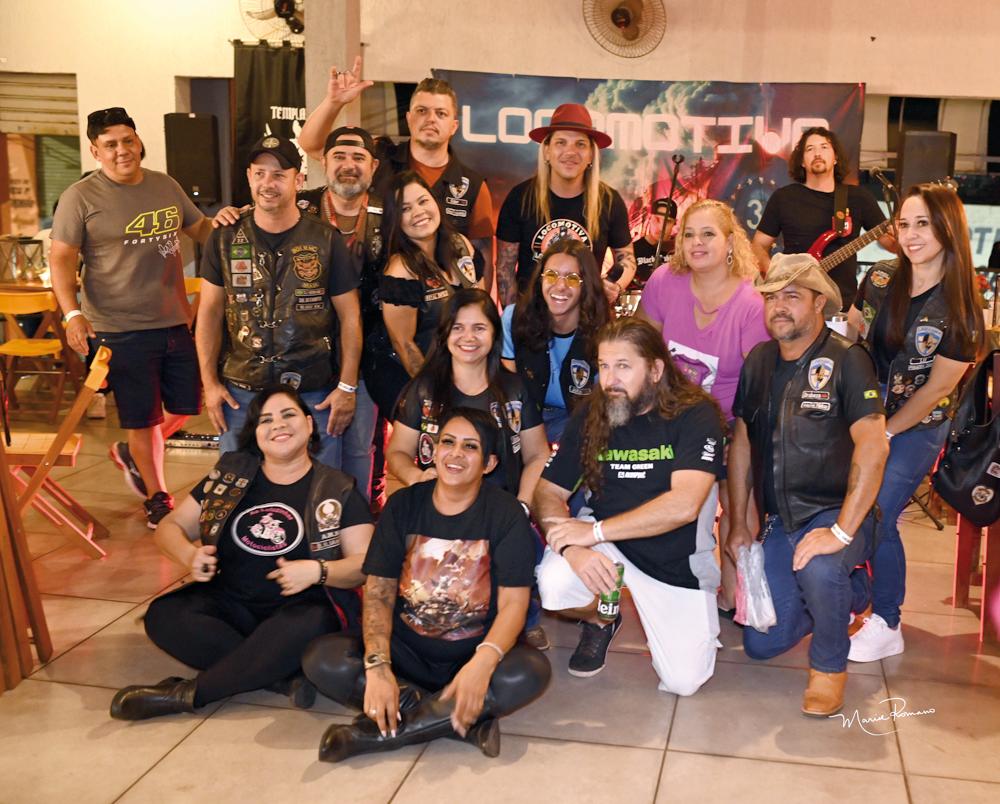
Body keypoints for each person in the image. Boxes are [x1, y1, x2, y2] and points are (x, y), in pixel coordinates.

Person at [108, 385, 374, 721]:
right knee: (163, 616)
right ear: (256, 435)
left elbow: (364, 564)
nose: (278, 425)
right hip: (233, 604)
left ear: (309, 425)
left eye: (288, 415)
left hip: (299, 612)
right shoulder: (231, 474)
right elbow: (169, 527)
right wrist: (189, 556)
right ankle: (277, 675)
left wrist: (318, 571)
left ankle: (188, 694)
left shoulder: (338, 488)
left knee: (311, 624)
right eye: (265, 420)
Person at [303, 407, 551, 762]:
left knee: (530, 672)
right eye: (447, 442)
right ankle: (458, 720)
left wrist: (481, 665)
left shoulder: (505, 513)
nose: (455, 454)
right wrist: (378, 666)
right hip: (405, 652)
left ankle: (369, 736)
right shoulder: (404, 505)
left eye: (470, 447)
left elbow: (515, 604)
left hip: (471, 654)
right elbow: (378, 590)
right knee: (321, 658)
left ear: (489, 463)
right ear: (433, 451)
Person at [728, 253, 889, 717]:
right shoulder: (758, 361)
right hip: (782, 520)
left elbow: (874, 447)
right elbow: (741, 443)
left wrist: (840, 532)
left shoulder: (848, 361)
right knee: (762, 644)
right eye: (772, 297)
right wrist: (739, 522)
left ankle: (828, 668)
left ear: (820, 302)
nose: (779, 306)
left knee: (821, 569)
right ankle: (851, 597)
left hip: (839, 513)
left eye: (792, 296)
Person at [534, 318, 725, 693]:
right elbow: (547, 491)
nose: (610, 380)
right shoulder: (592, 413)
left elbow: (684, 505)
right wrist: (572, 547)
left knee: (684, 681)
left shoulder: (696, 414)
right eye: (604, 366)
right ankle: (603, 617)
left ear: (655, 369)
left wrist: (594, 531)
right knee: (554, 584)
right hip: (606, 547)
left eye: (623, 366)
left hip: (675, 560)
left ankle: (636, 607)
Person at [50, 107, 212, 527]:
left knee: (185, 406)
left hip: (175, 321)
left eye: (127, 140)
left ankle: (130, 454)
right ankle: (158, 496)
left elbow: (202, 231)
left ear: (138, 141)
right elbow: (62, 259)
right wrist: (72, 314)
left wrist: (233, 223)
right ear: (94, 151)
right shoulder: (80, 197)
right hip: (119, 329)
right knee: (144, 419)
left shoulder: (165, 185)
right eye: (110, 144)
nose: (122, 150)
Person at [846, 184, 983, 662]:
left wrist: (885, 431)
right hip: (863, 414)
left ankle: (887, 620)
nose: (910, 234)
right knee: (844, 505)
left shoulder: (962, 306)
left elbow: (937, 389)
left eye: (922, 223)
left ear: (948, 228)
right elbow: (853, 336)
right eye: (903, 223)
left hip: (918, 426)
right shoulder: (880, 278)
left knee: (879, 510)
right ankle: (856, 592)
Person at [196, 136, 362, 472]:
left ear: (299, 181)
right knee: (235, 486)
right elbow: (209, 314)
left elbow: (351, 318)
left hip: (313, 390)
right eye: (260, 174)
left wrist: (346, 386)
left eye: (278, 175)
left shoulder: (326, 239)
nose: (267, 184)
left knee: (319, 489)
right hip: (240, 390)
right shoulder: (225, 236)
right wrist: (210, 384)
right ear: (249, 176)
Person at [637, 199, 770, 614]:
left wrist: (738, 441)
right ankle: (663, 588)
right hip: (666, 419)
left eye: (708, 234)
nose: (696, 243)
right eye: (689, 234)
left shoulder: (751, 302)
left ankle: (737, 598)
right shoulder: (664, 281)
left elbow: (757, 388)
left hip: (728, 423)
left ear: (730, 242)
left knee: (739, 504)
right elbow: (640, 349)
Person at [297, 58, 495, 287]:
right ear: (409, 119)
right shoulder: (378, 156)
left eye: (441, 113)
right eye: (422, 111)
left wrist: (481, 311)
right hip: (373, 293)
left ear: (454, 126)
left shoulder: (472, 184)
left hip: (439, 308)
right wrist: (334, 103)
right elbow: (312, 145)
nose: (430, 119)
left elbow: (483, 259)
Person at [365, 171, 484, 420]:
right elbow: (404, 345)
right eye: (405, 209)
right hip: (408, 374)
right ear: (395, 221)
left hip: (458, 366)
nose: (418, 212)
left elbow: (482, 309)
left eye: (422, 201)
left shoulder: (460, 244)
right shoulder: (401, 269)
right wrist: (438, 397)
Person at [495, 103, 635, 306]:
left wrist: (615, 286)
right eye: (561, 143)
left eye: (580, 144)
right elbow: (505, 269)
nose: (570, 152)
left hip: (586, 319)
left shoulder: (609, 201)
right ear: (547, 151)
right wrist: (512, 319)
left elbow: (627, 259)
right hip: (532, 318)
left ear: (591, 155)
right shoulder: (520, 198)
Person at [751, 126, 895, 310]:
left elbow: (890, 244)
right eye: (810, 149)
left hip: (842, 304)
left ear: (835, 158)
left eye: (824, 147)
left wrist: (903, 234)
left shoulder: (858, 198)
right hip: (793, 301)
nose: (817, 153)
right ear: (802, 161)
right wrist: (774, 275)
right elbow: (758, 246)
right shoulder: (784, 197)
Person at [501, 239, 611, 443]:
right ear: (540, 279)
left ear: (586, 284)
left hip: (577, 422)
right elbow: (509, 390)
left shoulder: (603, 332)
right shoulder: (513, 319)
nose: (560, 286)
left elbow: (600, 406)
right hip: (525, 418)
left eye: (571, 278)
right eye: (551, 275)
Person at [630, 199, 676, 290]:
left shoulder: (680, 250)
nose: (661, 227)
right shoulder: (633, 250)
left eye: (667, 221)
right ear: (649, 219)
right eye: (657, 219)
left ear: (675, 223)